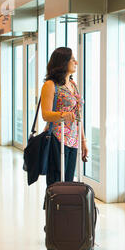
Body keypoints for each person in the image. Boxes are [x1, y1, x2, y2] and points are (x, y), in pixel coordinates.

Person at [40, 47, 89, 186]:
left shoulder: (73, 85)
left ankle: (66, 207)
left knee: (68, 182)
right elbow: (46, 114)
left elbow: (78, 115)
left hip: (73, 139)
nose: (76, 62)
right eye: (72, 59)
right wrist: (63, 114)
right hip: (57, 137)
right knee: (56, 181)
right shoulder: (50, 85)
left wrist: (83, 140)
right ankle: (54, 207)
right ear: (63, 62)